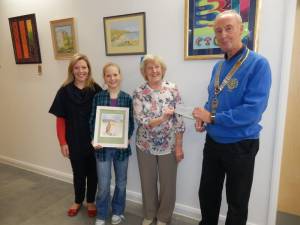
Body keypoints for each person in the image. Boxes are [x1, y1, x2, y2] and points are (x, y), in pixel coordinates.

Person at [192, 10, 272, 225]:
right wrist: (203, 117)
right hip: (214, 142)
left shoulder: (258, 64)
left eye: (229, 28)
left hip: (241, 145)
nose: (223, 34)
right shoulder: (218, 66)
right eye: (219, 31)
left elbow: (253, 110)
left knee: (236, 203)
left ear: (242, 30)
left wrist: (213, 117)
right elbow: (214, 98)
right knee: (207, 195)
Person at [133, 54, 185, 225]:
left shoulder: (173, 89)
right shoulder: (139, 92)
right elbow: (141, 120)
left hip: (169, 145)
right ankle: (149, 214)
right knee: (147, 182)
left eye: (157, 67)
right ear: (144, 72)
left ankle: (163, 217)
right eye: (150, 68)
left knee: (168, 184)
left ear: (162, 70)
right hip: (145, 145)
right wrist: (162, 119)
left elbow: (179, 119)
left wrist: (178, 146)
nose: (154, 70)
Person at [49, 53, 102, 217]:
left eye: (84, 67)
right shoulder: (64, 91)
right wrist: (62, 142)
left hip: (94, 141)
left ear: (89, 69)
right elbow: (60, 120)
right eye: (77, 67)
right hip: (74, 141)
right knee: (78, 173)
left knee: (93, 174)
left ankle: (91, 201)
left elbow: (106, 114)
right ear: (72, 70)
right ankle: (78, 200)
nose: (81, 71)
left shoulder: (96, 89)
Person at [89, 63, 134, 225]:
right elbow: (93, 120)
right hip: (102, 149)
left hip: (121, 150)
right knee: (103, 184)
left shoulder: (127, 98)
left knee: (121, 183)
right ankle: (101, 213)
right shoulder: (98, 97)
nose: (112, 78)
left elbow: (130, 123)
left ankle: (117, 211)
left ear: (120, 76)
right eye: (108, 75)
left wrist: (126, 137)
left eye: (115, 75)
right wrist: (94, 139)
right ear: (104, 78)